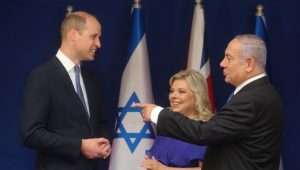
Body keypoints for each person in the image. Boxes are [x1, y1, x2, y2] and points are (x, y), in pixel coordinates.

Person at [136, 34, 283, 170]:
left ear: (249, 63)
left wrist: (157, 113)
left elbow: (205, 133)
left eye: (228, 58)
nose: (222, 63)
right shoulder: (257, 94)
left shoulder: (252, 98)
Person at [20, 11, 112, 170]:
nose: (98, 44)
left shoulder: (92, 80)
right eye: (93, 36)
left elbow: (99, 123)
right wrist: (80, 146)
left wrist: (103, 141)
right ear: (73, 35)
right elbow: (31, 134)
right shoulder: (42, 77)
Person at [142, 69, 214, 170]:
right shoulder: (167, 127)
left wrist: (162, 169)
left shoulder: (208, 130)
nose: (174, 96)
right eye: (172, 91)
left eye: (181, 92)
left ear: (197, 96)